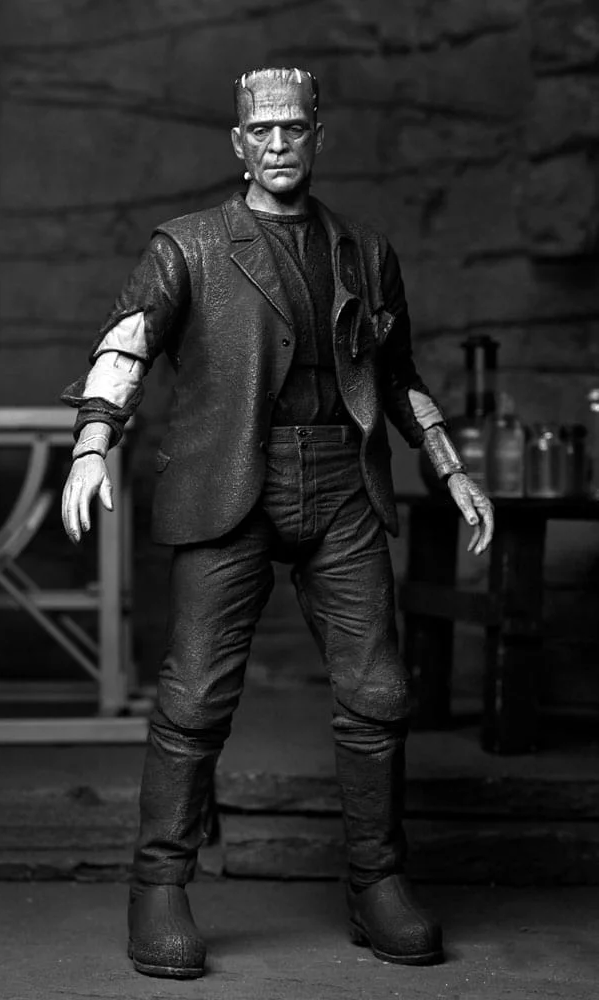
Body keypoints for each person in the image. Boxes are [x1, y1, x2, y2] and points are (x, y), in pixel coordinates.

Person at [61, 67, 494, 980]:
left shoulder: (363, 251)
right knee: (194, 693)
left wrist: (450, 466)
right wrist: (93, 440)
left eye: (294, 128)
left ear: (317, 137)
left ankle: (378, 881)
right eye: (261, 131)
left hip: (342, 481)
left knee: (379, 690)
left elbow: (398, 373)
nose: (278, 144)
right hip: (230, 481)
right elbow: (127, 342)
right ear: (238, 143)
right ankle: (158, 886)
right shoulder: (187, 246)